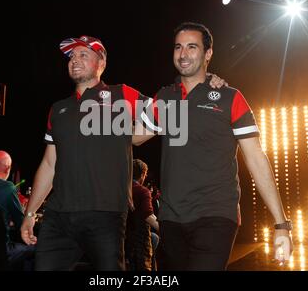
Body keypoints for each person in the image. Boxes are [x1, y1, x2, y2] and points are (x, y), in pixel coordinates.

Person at [21, 35, 225, 271]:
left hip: (106, 214)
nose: (74, 60)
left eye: (83, 54)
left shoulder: (121, 95)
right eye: (71, 56)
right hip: (58, 217)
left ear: (101, 64)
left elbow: (168, 109)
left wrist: (205, 81)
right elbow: (49, 164)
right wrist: (30, 213)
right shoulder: (58, 109)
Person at [133, 22, 293, 270]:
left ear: (208, 54)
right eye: (178, 47)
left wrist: (281, 224)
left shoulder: (230, 97)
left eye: (192, 47)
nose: (183, 54)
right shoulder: (164, 98)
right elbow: (134, 137)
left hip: (216, 215)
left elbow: (256, 159)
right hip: (171, 219)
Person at [125, 159, 159, 271]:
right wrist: (163, 228)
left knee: (154, 238)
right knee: (154, 238)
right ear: (143, 174)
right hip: (137, 238)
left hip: (121, 235)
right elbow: (148, 215)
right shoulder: (143, 191)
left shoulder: (121, 188)